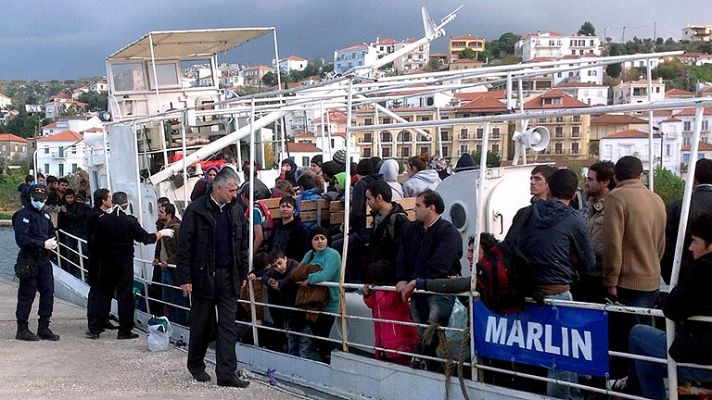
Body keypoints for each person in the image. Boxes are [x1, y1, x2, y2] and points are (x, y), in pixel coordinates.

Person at [516, 168, 595, 400]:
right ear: (573, 194)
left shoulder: (527, 213)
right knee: (562, 357)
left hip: (527, 293)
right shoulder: (574, 219)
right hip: (558, 292)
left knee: (543, 354)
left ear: (549, 188)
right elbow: (588, 262)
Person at [176, 167, 251, 388]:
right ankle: (196, 364)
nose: (234, 194)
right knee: (201, 323)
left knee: (228, 325)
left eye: (236, 190)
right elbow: (184, 246)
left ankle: (226, 373)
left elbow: (242, 243)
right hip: (203, 275)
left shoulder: (236, 210)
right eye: (231, 190)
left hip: (229, 275)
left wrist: (243, 271)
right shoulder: (196, 210)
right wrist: (185, 277)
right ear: (217, 188)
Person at [626, 214, 712, 399]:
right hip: (702, 350)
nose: (690, 247)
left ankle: (630, 388)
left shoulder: (703, 269)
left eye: (695, 242)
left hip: (701, 358)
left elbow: (672, 309)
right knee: (647, 364)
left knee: (637, 332)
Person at [602, 156, 666, 378]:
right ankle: (644, 386)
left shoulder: (616, 198)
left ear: (616, 177)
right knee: (645, 340)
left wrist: (611, 280)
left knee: (624, 340)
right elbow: (661, 243)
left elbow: (612, 243)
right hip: (652, 278)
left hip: (627, 281)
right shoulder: (656, 199)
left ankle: (628, 385)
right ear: (640, 176)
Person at [89, 192, 171, 339]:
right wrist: (161, 233)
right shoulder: (130, 221)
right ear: (126, 204)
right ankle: (124, 330)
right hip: (124, 263)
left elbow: (95, 242)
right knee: (125, 296)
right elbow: (146, 238)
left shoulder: (103, 220)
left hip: (106, 263)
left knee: (104, 295)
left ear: (113, 203)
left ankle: (96, 327)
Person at [395, 189, 461, 371]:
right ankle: (429, 366)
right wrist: (401, 278)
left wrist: (417, 281)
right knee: (422, 329)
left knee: (432, 330)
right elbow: (402, 256)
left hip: (438, 291)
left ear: (431, 208)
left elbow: (440, 264)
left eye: (418, 205)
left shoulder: (448, 233)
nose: (414, 210)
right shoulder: (411, 230)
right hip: (416, 292)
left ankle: (430, 366)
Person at [12, 183, 60, 341]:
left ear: (46, 198)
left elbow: (52, 231)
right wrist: (41, 243)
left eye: (41, 199)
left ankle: (44, 325)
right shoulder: (23, 215)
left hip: (44, 258)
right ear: (31, 197)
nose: (38, 201)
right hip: (29, 258)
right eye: (35, 198)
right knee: (27, 294)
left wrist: (53, 242)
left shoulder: (45, 215)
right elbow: (22, 239)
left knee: (48, 292)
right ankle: (22, 327)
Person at [296, 227, 341, 363]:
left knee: (323, 335)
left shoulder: (333, 255)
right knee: (315, 335)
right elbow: (298, 271)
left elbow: (326, 274)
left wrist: (309, 279)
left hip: (328, 301)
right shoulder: (310, 254)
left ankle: (326, 361)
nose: (319, 242)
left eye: (322, 238)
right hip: (310, 301)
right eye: (316, 239)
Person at [662, 158, 712, 282]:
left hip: (683, 273)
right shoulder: (679, 206)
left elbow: (667, 242)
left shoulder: (679, 206)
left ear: (693, 178)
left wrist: (668, 273)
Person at [363, 260, 419, 366]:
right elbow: (372, 304)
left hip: (400, 339)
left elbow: (385, 303)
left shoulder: (395, 292)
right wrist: (367, 294)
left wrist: (378, 289)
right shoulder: (380, 293)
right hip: (384, 339)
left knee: (402, 365)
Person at [575, 160, 615, 303]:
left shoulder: (613, 208)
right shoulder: (588, 205)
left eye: (590, 179)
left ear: (604, 182)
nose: (586, 183)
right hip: (585, 274)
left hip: (602, 277)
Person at [262, 250, 300, 354]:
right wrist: (269, 280)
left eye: (280, 263)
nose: (278, 268)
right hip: (286, 308)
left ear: (285, 259)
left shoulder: (295, 265)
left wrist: (280, 284)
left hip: (298, 307)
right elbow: (265, 275)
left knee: (302, 339)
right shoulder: (275, 271)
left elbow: (292, 275)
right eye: (275, 266)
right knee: (291, 336)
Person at [365, 179, 410, 267]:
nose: (367, 202)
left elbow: (400, 253)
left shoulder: (399, 221)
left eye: (369, 198)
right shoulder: (377, 216)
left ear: (379, 198)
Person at [157, 203, 187, 325]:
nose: (159, 214)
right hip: (165, 267)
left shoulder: (176, 229)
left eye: (161, 212)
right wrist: (157, 257)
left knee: (176, 298)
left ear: (169, 214)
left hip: (172, 268)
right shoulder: (162, 227)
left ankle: (178, 323)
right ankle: (171, 322)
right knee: (167, 298)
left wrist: (168, 261)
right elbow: (160, 247)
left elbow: (181, 250)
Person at [57, 188, 90, 275]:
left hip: (81, 232)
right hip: (70, 232)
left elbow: (78, 217)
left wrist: (66, 212)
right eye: (68, 197)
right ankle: (71, 272)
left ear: (74, 197)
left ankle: (87, 271)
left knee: (85, 252)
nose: (69, 199)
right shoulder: (63, 206)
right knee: (70, 253)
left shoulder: (79, 206)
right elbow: (61, 220)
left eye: (71, 197)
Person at [270, 196, 309, 261]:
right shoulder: (276, 227)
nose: (285, 209)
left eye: (288, 207)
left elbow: (304, 251)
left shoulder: (299, 229)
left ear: (294, 210)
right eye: (283, 206)